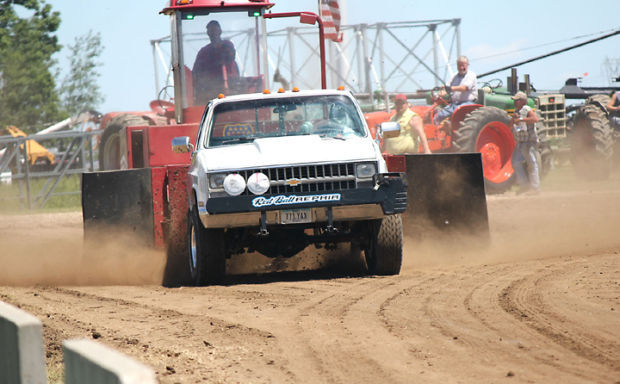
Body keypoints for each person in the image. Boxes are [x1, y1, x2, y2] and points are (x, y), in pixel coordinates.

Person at [192, 20, 239, 104]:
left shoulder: (227, 45)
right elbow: (196, 74)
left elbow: (230, 56)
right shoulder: (203, 52)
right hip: (210, 91)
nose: (213, 34)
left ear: (220, 31)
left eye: (215, 31)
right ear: (208, 34)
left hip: (232, 87)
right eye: (211, 32)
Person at [510, 91, 540, 195]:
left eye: (517, 100)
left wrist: (521, 119)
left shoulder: (526, 109)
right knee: (515, 162)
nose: (515, 102)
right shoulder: (516, 111)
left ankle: (535, 188)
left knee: (532, 163)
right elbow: (512, 125)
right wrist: (513, 120)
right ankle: (524, 185)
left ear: (522, 101)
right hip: (521, 141)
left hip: (529, 141)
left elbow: (535, 119)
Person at [434, 56, 477, 126]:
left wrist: (450, 88)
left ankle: (449, 127)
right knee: (439, 115)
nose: (461, 68)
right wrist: (441, 93)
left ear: (467, 65)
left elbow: (464, 88)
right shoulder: (454, 76)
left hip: (468, 103)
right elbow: (446, 87)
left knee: (454, 112)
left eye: (463, 65)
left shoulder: (471, 75)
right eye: (459, 65)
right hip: (455, 103)